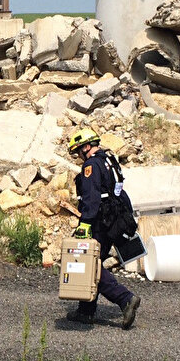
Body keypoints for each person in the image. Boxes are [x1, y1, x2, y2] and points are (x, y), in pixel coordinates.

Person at [67, 129, 141, 329]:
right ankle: (86, 311)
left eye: (78, 152)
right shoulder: (110, 160)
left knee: (90, 266)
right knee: (94, 262)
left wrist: (85, 224)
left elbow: (91, 197)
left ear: (86, 146)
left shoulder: (91, 165)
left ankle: (125, 299)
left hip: (99, 221)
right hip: (113, 219)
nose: (79, 157)